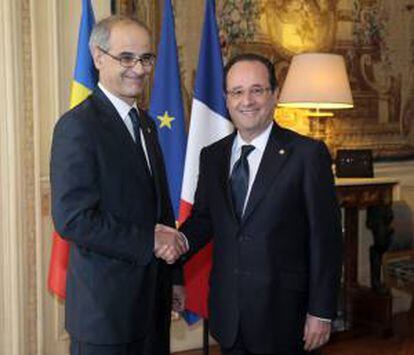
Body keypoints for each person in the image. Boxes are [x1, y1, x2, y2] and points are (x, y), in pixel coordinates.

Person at [159, 53, 343, 354]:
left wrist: (321, 311)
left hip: (285, 315)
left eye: (257, 90)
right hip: (229, 313)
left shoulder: (307, 155)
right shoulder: (213, 155)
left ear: (274, 96)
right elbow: (204, 219)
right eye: (237, 92)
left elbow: (326, 240)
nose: (247, 100)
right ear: (227, 99)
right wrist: (178, 241)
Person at [50, 15, 187, 355]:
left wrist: (175, 276)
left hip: (153, 306)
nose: (139, 69)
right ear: (97, 57)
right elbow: (73, 219)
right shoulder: (77, 127)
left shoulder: (146, 123)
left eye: (146, 58)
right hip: (106, 316)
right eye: (126, 58)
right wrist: (149, 240)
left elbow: (161, 206)